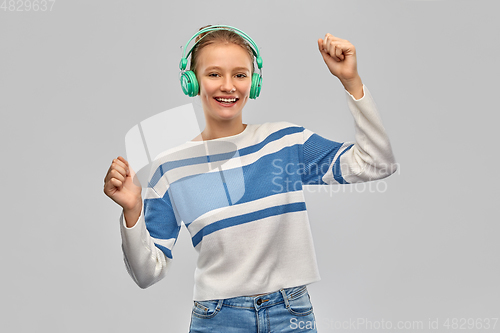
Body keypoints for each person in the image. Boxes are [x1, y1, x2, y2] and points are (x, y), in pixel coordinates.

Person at [103, 25, 397, 332]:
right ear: (192, 82)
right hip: (219, 319)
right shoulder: (171, 168)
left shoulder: (285, 143)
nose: (228, 86)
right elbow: (146, 273)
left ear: (254, 83)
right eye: (214, 74)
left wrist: (351, 81)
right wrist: (133, 210)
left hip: (290, 313)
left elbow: (377, 165)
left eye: (240, 75)